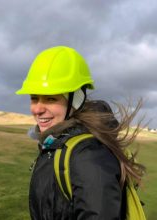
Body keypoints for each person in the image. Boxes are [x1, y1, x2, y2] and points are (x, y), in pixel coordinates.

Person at [16, 46, 146, 220]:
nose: (37, 109)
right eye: (34, 98)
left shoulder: (89, 155)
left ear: (75, 100)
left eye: (51, 98)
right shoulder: (56, 143)